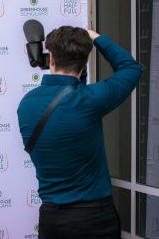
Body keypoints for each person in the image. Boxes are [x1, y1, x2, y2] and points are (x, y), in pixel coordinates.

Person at [17, 27, 142, 239]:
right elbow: (130, 68)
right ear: (84, 63)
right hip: (94, 219)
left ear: (52, 59)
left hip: (51, 221)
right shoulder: (90, 100)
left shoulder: (27, 103)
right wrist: (96, 37)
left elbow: (66, 102)